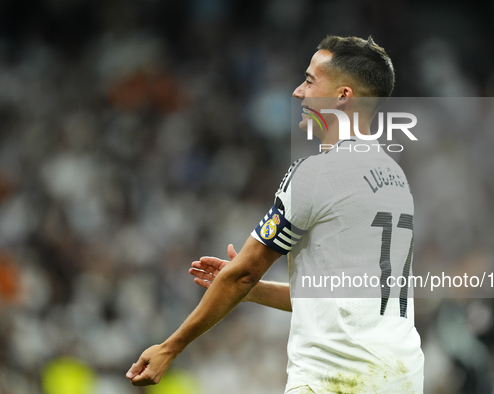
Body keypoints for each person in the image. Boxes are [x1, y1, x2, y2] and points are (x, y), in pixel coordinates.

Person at [126, 35, 424, 393]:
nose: (298, 92)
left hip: (336, 377)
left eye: (311, 81)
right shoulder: (394, 178)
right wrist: (253, 292)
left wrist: (169, 346)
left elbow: (243, 272)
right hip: (402, 375)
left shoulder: (320, 172)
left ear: (342, 96)